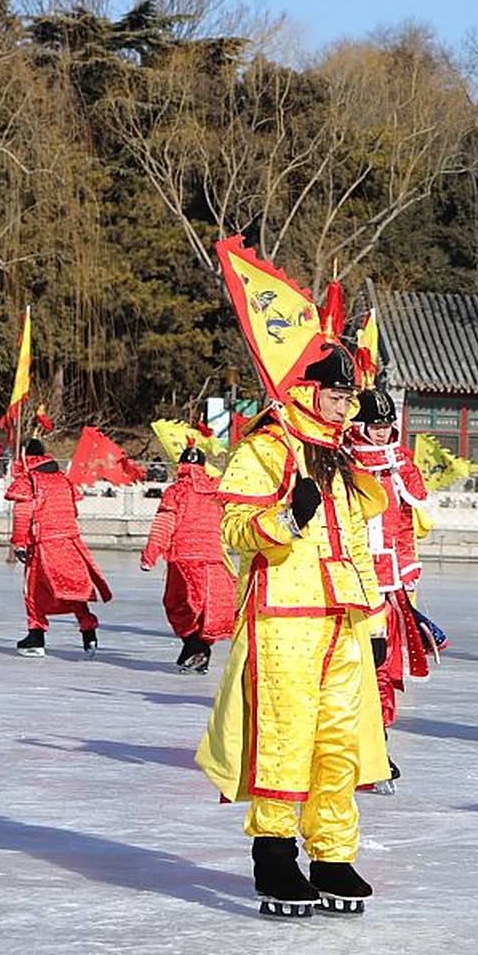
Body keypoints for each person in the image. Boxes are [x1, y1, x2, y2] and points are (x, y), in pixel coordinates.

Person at [196, 342, 392, 917]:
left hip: (342, 616)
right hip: (283, 612)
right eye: (337, 394)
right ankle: (275, 855)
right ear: (307, 390)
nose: (347, 406)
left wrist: (375, 618)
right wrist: (286, 515)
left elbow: (357, 541)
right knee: (285, 738)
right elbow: (233, 529)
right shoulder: (265, 449)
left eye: (351, 395)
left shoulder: (341, 457)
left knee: (339, 740)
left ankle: (332, 854)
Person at [348, 387, 448, 741]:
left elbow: (406, 523)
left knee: (382, 655)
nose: (381, 431)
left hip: (388, 576)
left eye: (387, 424)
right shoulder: (343, 458)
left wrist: (407, 570)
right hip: (349, 571)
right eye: (375, 424)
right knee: (352, 655)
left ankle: (378, 732)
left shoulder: (400, 462)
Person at [7, 437, 111, 657]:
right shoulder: (63, 480)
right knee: (73, 590)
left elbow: (22, 515)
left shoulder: (29, 481)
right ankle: (88, 631)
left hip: (43, 544)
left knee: (33, 591)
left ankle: (36, 636)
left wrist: (18, 542)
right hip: (70, 542)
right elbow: (73, 511)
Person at [139, 440, 236, 673]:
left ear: (180, 465)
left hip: (184, 560)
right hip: (214, 559)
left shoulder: (176, 491)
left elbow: (164, 524)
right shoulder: (218, 491)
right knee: (207, 611)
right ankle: (196, 651)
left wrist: (150, 555)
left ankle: (196, 647)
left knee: (178, 606)